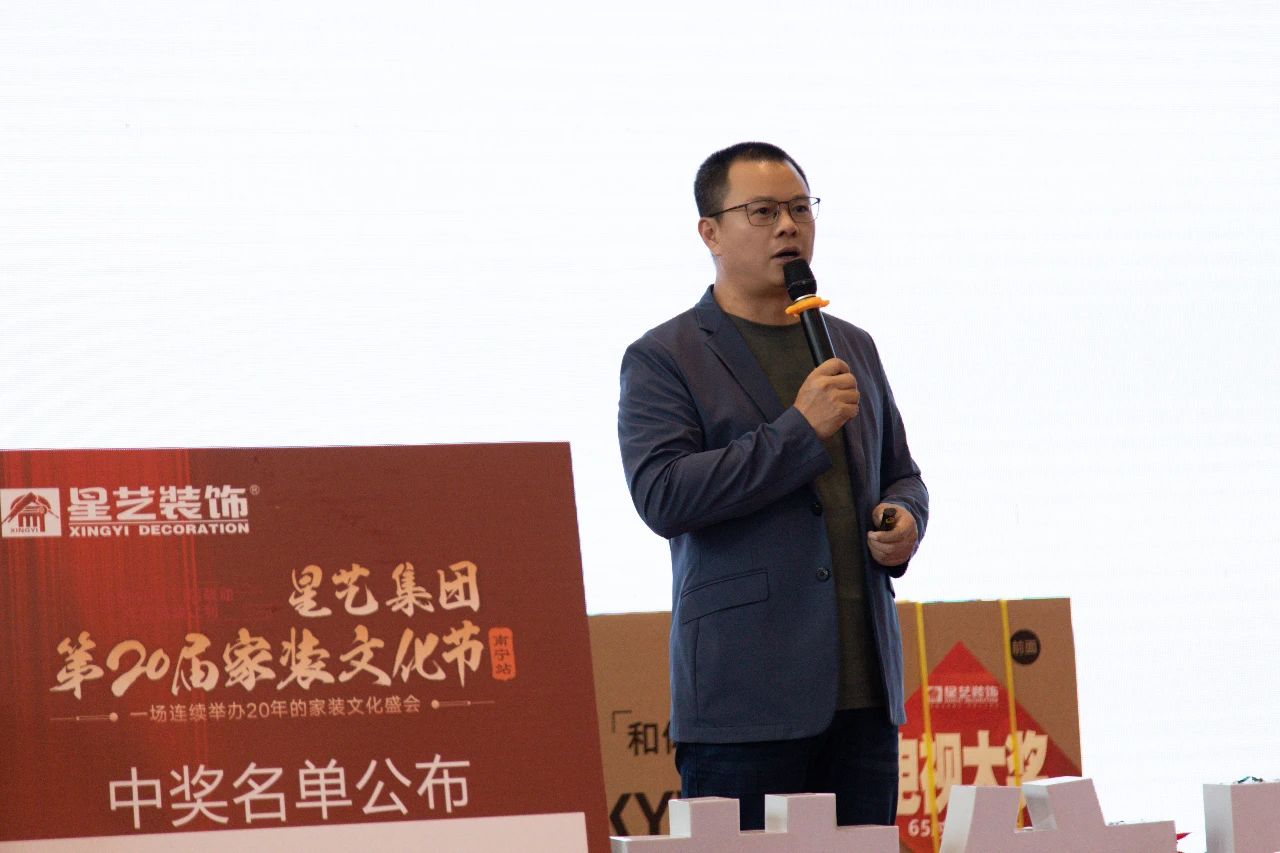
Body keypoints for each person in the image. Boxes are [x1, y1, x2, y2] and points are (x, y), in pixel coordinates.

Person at [617, 142, 929, 830]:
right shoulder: (665, 357)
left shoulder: (852, 343)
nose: (788, 226)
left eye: (799, 208)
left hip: (864, 693)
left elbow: (901, 472)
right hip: (745, 701)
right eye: (762, 211)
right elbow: (663, 494)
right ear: (710, 232)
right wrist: (798, 430)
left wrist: (904, 516)